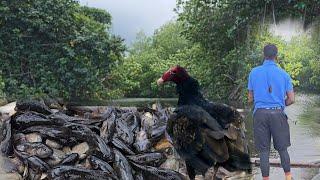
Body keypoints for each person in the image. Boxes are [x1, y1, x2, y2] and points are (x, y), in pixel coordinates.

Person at [247, 44, 295, 180]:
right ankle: (288, 177)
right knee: (282, 149)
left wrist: (261, 100)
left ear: (263, 55)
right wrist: (280, 104)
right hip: (278, 114)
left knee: (263, 151)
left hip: (260, 114)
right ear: (276, 56)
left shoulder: (253, 72)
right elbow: (291, 99)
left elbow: (250, 98)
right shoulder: (284, 74)